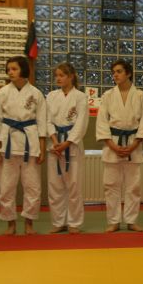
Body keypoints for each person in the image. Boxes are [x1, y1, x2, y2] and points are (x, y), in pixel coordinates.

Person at [0, 56, 47, 235]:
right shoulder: (2, 93)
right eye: (8, 69)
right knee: (6, 187)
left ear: (23, 69)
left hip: (30, 143)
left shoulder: (36, 93)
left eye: (14, 69)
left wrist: (42, 149)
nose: (10, 72)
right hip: (7, 144)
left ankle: (29, 223)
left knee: (33, 187)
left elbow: (42, 122)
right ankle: (11, 224)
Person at [95, 59, 143, 233]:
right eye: (114, 72)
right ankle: (113, 221)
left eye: (119, 71)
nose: (115, 75)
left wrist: (134, 144)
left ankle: (131, 220)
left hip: (133, 142)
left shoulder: (141, 96)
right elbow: (102, 122)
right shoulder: (108, 96)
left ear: (128, 73)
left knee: (133, 186)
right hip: (113, 142)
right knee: (111, 185)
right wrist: (112, 145)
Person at [46, 62, 89, 234]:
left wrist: (67, 143)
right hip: (55, 144)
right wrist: (55, 140)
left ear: (71, 77)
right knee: (55, 186)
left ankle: (74, 222)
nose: (58, 78)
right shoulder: (51, 96)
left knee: (74, 186)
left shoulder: (80, 97)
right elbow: (47, 120)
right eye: (56, 75)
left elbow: (81, 123)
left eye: (61, 75)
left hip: (72, 145)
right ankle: (58, 221)